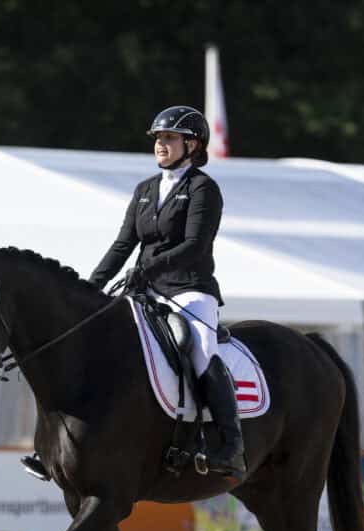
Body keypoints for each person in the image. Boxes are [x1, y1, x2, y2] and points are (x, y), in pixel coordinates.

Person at [21, 106, 246, 483]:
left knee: (198, 347)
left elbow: (194, 245)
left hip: (190, 291)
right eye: (158, 138)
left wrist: (148, 270)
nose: (161, 144)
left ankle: (230, 442)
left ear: (192, 144)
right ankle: (55, 445)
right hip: (144, 292)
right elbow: (123, 244)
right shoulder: (145, 190)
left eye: (169, 138)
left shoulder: (203, 188)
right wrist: (89, 289)